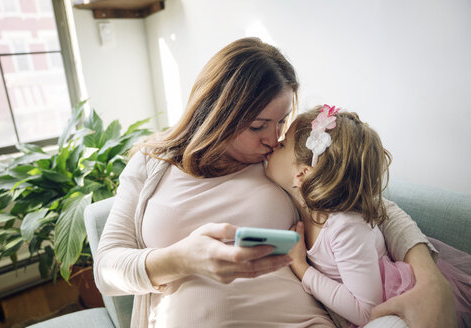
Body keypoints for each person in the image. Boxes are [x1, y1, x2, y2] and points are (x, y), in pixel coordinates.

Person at [93, 37, 456, 328]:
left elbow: (369, 208)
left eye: (281, 122)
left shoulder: (277, 163)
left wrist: (430, 282)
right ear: (217, 112)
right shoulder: (151, 163)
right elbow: (107, 269)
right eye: (257, 126)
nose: (273, 138)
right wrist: (183, 259)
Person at [266, 105, 470, 328]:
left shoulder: (345, 227)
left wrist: (302, 269)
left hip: (396, 310)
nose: (274, 144)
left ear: (302, 174)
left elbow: (366, 311)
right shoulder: (305, 207)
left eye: (283, 144)